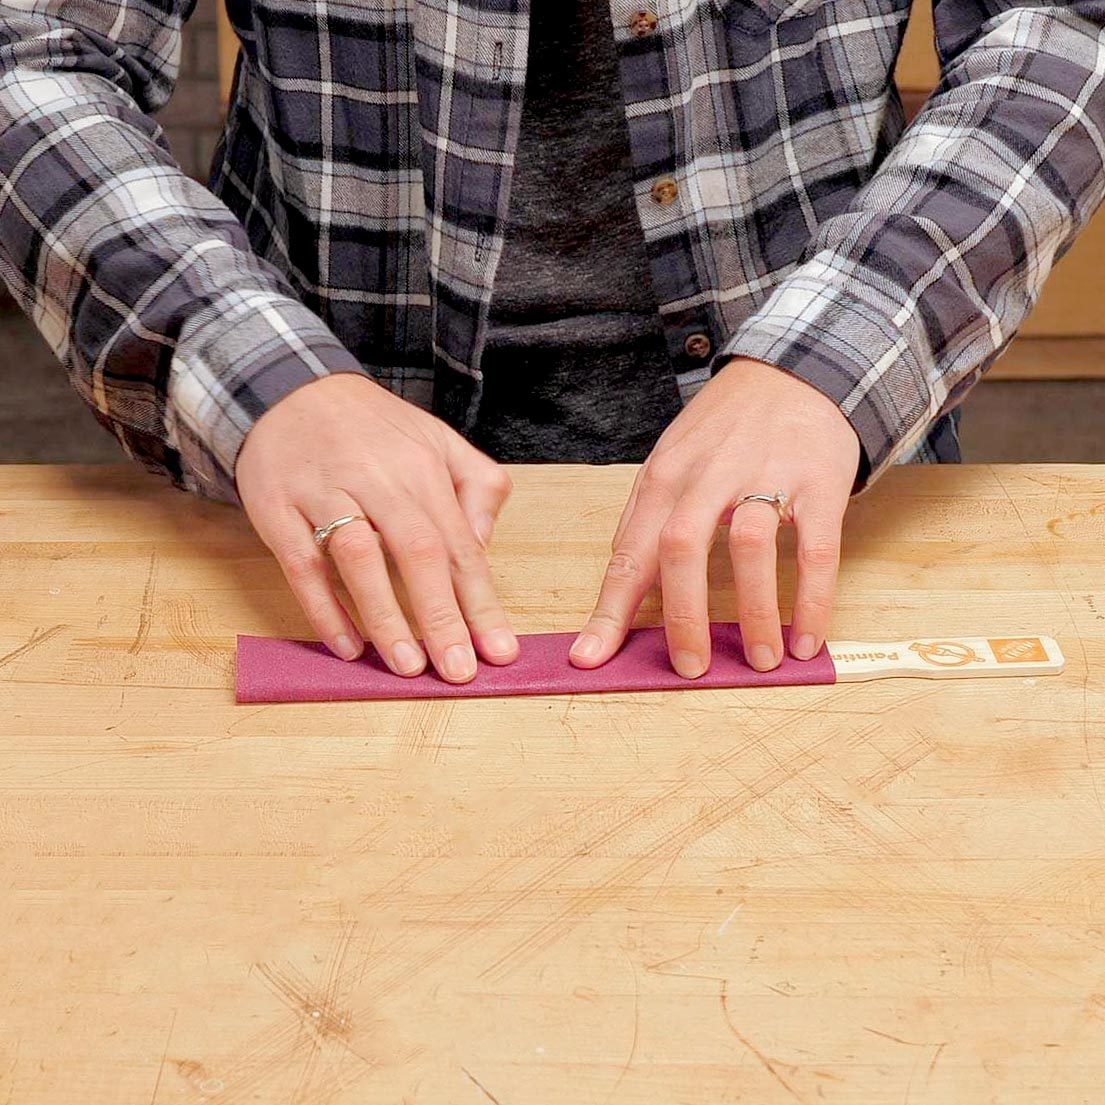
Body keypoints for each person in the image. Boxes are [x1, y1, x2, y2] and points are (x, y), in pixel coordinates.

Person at [1, 0, 1102, 686]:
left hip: (815, 468)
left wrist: (839, 350)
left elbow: (1061, 28)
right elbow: (32, 58)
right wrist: (253, 367)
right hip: (331, 491)